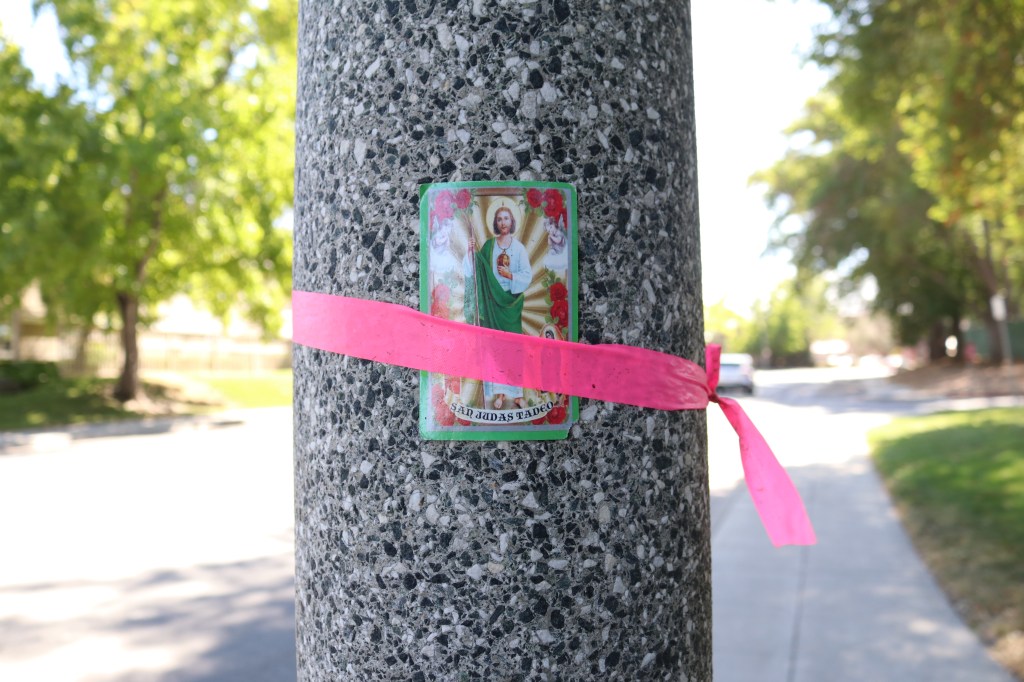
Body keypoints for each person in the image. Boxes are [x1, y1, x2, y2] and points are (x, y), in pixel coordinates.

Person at [465, 203, 532, 410]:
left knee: (513, 349)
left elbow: (526, 275)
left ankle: (517, 395)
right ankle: (500, 394)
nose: (503, 222)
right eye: (500, 219)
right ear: (496, 222)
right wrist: (471, 253)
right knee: (496, 349)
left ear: (512, 222)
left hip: (510, 305)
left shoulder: (518, 248)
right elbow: (476, 269)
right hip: (492, 303)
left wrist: (510, 275)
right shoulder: (488, 246)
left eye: (506, 218)